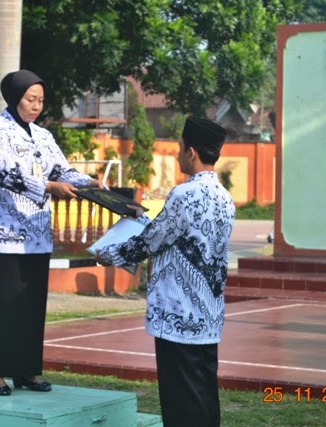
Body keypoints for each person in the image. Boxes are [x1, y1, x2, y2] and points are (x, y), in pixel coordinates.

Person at [95, 117, 236, 427]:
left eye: (180, 148)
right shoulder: (226, 197)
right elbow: (178, 236)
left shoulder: (184, 195)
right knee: (203, 393)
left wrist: (109, 253)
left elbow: (152, 241)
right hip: (208, 314)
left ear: (193, 153)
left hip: (179, 312)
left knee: (181, 399)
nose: (177, 154)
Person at [0, 69, 101, 396]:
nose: (36, 106)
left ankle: (27, 369)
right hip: (1, 232)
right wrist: (48, 186)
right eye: (31, 99)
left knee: (30, 304)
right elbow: (4, 173)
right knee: (1, 303)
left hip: (36, 234)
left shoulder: (43, 136)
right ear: (15, 98)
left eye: (41, 100)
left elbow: (62, 169)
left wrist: (88, 183)